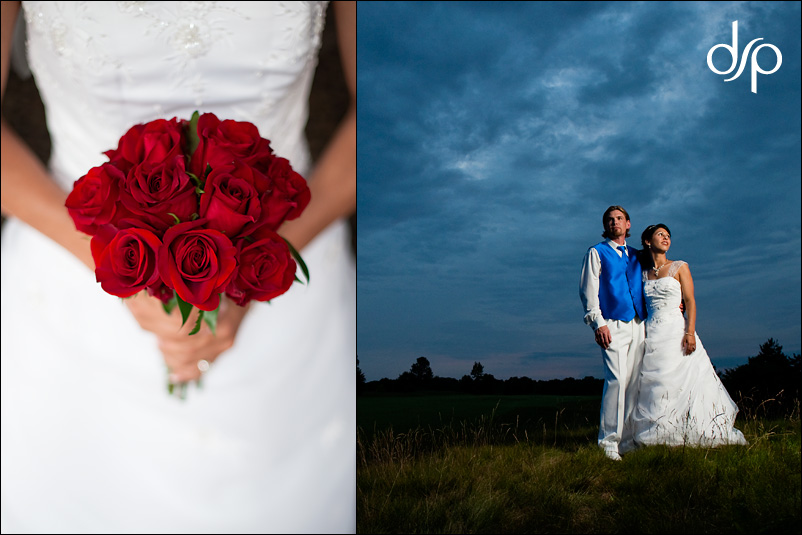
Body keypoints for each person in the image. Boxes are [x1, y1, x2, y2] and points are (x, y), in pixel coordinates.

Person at [1, 2, 356, 533]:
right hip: (72, 282)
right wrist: (114, 259)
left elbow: (396, 109)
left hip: (288, 274)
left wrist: (261, 259)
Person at [628, 224, 747, 448]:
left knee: (682, 379)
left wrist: (689, 332)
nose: (666, 238)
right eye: (660, 234)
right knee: (656, 383)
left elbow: (690, 301)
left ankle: (692, 428)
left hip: (676, 329)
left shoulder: (680, 266)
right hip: (652, 331)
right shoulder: (643, 274)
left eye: (668, 236)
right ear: (647, 241)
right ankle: (660, 431)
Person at [579, 205, 648, 461]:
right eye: (609, 219)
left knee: (633, 382)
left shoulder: (637, 255)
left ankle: (628, 440)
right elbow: (589, 289)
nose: (614, 222)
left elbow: (654, 280)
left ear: (628, 224)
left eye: (619, 219)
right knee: (616, 380)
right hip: (612, 323)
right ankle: (608, 442)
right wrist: (598, 323)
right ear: (605, 225)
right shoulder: (597, 252)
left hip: (639, 323)